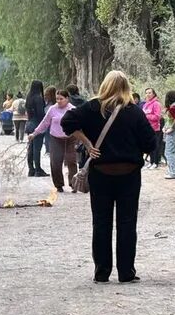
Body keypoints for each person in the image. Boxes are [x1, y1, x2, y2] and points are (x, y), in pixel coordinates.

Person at [61, 70, 156, 283]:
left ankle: (102, 272)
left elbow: (67, 121)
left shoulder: (92, 108)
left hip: (100, 173)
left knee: (101, 223)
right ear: (127, 87)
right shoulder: (134, 111)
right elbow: (150, 142)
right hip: (129, 174)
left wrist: (87, 143)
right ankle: (126, 272)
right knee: (127, 223)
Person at [30, 90, 79, 193]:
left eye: (61, 99)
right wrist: (34, 133)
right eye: (57, 99)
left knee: (71, 161)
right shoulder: (52, 109)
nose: (59, 101)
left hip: (70, 138)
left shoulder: (73, 109)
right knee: (55, 162)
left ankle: (73, 184)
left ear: (67, 99)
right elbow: (45, 123)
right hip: (56, 138)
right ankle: (59, 185)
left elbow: (79, 124)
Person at [25, 81, 49, 177]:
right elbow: (40, 114)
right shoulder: (38, 98)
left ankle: (31, 169)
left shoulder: (29, 97)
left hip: (29, 123)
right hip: (37, 124)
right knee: (37, 148)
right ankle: (38, 170)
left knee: (31, 148)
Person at [162, 90, 175, 180]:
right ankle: (174, 170)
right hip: (171, 130)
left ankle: (173, 172)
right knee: (174, 152)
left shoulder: (174, 106)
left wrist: (171, 129)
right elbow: (169, 120)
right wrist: (165, 127)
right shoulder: (174, 105)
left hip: (173, 132)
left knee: (169, 152)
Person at [142, 88, 164, 169]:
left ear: (154, 94)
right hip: (147, 128)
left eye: (150, 93)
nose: (148, 94)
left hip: (155, 128)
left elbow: (157, 117)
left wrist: (146, 116)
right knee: (149, 145)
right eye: (146, 93)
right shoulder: (145, 104)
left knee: (155, 145)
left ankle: (155, 162)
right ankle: (151, 162)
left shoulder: (156, 104)